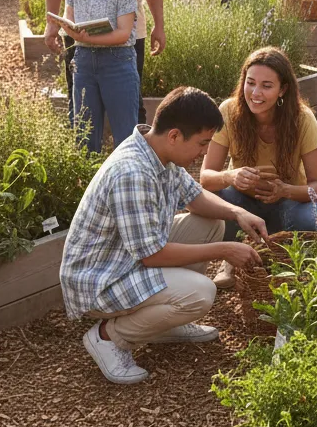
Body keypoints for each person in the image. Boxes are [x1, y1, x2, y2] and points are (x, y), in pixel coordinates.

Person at [59, 87, 267, 385]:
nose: (205, 152)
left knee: (211, 223)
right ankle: (108, 337)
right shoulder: (132, 173)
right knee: (202, 293)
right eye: (202, 143)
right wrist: (224, 251)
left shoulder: (159, 152)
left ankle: (163, 324)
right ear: (174, 136)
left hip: (124, 256)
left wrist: (237, 213)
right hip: (100, 279)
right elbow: (152, 255)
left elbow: (195, 197)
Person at [200, 47, 317, 288]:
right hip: (243, 205)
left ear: (283, 89)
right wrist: (231, 176)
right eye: (250, 83)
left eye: (267, 86)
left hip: (288, 204)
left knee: (315, 218)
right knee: (211, 200)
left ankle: (290, 261)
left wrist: (284, 191)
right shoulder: (228, 111)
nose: (255, 93)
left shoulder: (302, 119)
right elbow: (206, 178)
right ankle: (232, 260)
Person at [62, 0, 140, 153]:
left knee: (125, 135)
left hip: (118, 63)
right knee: (84, 133)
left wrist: (87, 38)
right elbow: (69, 21)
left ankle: (124, 184)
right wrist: (69, 30)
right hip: (83, 62)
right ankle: (87, 183)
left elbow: (123, 33)